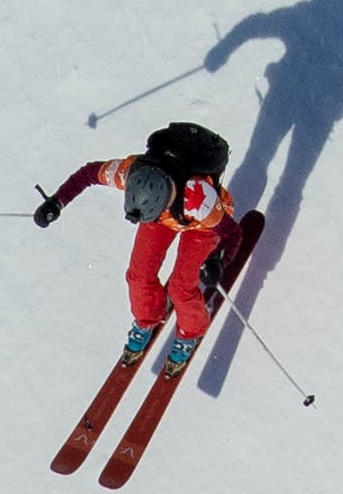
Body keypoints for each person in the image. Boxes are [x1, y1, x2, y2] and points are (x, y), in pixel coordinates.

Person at [34, 136, 239, 374]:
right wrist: (57, 202)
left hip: (201, 226)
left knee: (181, 288)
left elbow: (232, 232)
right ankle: (146, 319)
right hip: (158, 217)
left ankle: (191, 331)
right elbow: (89, 174)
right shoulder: (129, 172)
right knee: (138, 275)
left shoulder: (198, 198)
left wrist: (218, 260)